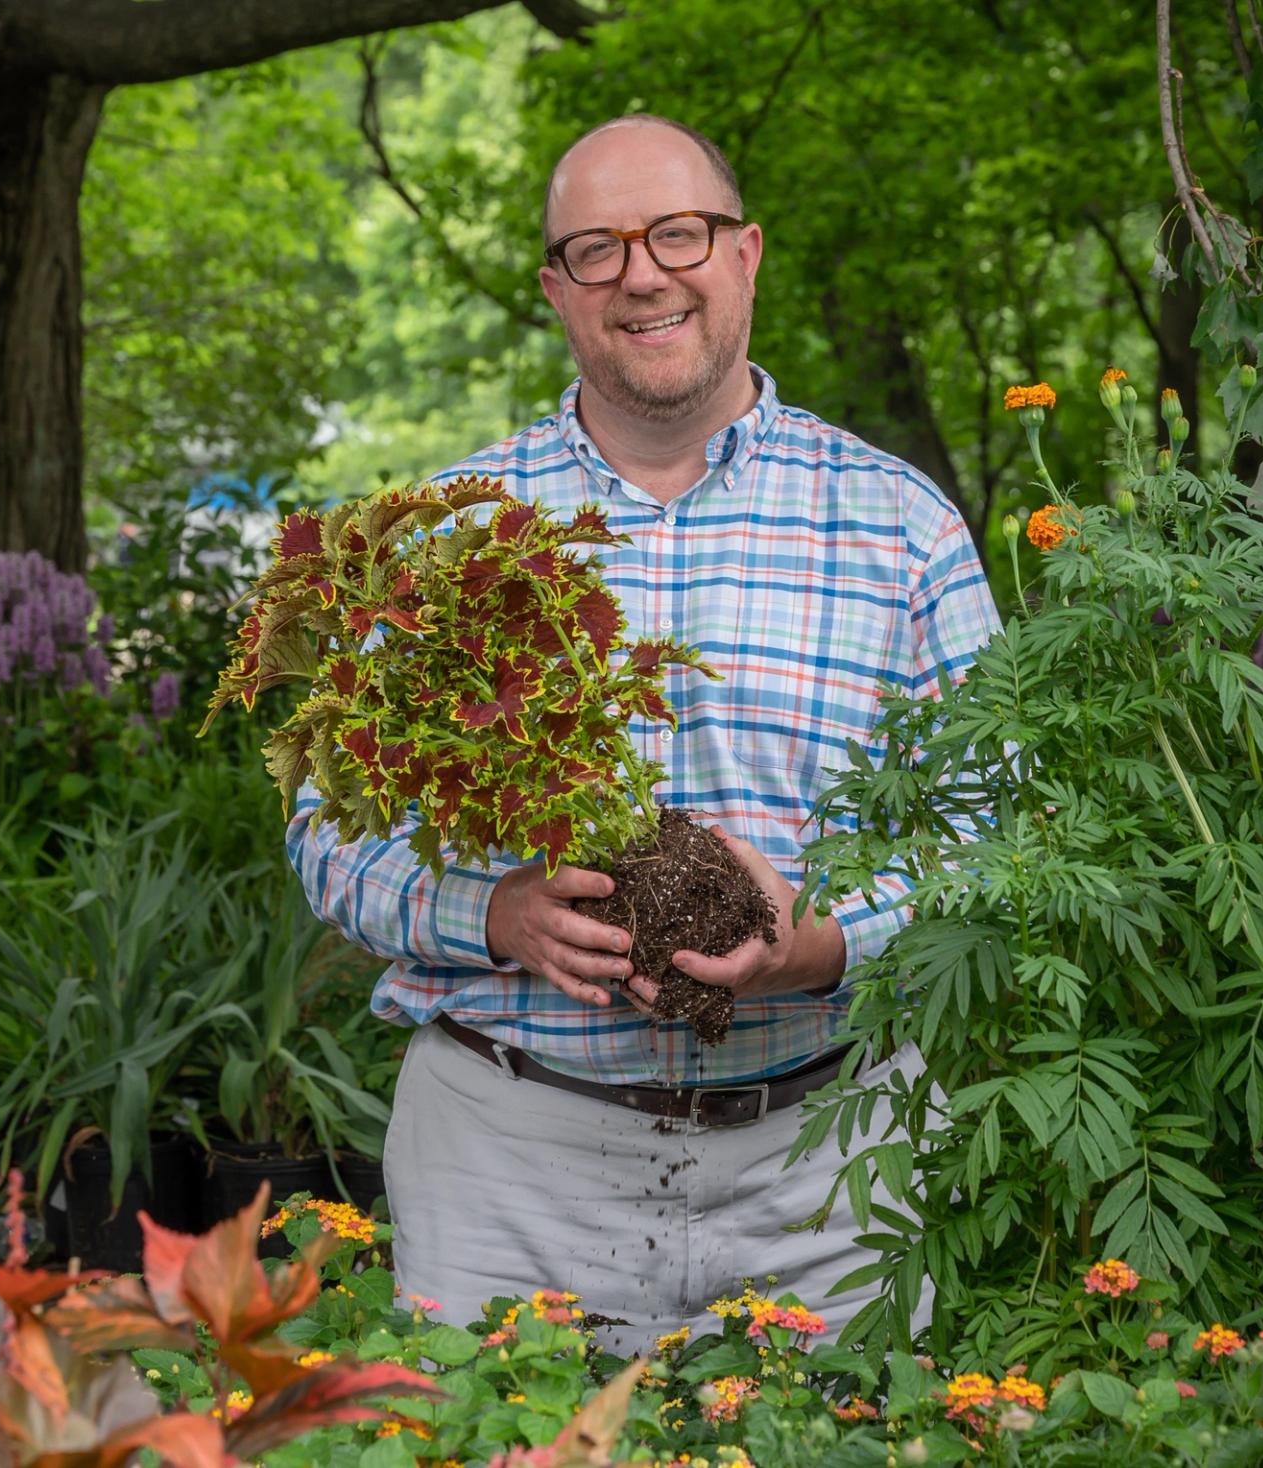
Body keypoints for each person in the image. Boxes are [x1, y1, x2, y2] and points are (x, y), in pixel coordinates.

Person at [288, 114, 1000, 1349]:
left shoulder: (902, 527)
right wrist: (494, 912)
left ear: (746, 253)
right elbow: (329, 832)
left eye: (680, 232)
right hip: (510, 1165)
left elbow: (1000, 832)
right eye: (598, 248)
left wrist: (825, 941)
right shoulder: (445, 541)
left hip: (827, 1175)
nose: (644, 273)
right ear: (558, 289)